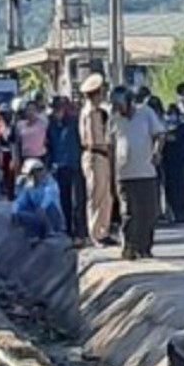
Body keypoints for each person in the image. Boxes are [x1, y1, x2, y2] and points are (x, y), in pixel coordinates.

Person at [108, 85, 165, 260]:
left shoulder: (146, 113)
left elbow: (160, 135)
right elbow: (110, 147)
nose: (117, 108)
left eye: (120, 104)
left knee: (148, 212)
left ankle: (144, 247)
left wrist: (157, 152)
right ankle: (129, 246)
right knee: (128, 213)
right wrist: (111, 174)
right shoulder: (114, 119)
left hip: (146, 171)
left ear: (129, 101)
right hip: (124, 173)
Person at [79, 73, 116, 247]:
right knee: (96, 195)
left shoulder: (99, 112)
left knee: (106, 196)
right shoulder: (89, 112)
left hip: (102, 155)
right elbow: (91, 140)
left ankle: (103, 230)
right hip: (94, 155)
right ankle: (95, 234)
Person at [47, 96, 86, 246]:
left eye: (59, 108)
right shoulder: (51, 124)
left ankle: (79, 232)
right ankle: (68, 230)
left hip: (75, 165)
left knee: (77, 201)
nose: (57, 112)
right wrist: (50, 164)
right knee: (64, 201)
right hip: (59, 167)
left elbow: (81, 142)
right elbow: (49, 145)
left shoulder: (74, 122)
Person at [12, 158, 64, 243]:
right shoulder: (28, 185)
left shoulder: (49, 181)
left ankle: (51, 231)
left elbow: (49, 195)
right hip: (37, 215)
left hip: (52, 216)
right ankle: (34, 236)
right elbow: (20, 200)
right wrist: (15, 212)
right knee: (23, 213)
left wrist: (42, 207)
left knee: (48, 207)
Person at [162, 103, 184, 222]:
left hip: (182, 164)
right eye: (169, 114)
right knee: (171, 190)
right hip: (169, 165)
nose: (171, 117)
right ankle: (174, 213)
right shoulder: (162, 129)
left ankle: (183, 212)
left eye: (173, 114)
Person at [0, 103, 17, 199]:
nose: (5, 116)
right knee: (5, 171)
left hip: (14, 151)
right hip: (3, 152)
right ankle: (6, 189)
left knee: (13, 171)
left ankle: (12, 190)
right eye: (2, 114)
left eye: (7, 113)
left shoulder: (14, 124)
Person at [15, 99, 48, 164]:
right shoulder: (20, 125)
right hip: (25, 157)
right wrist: (16, 159)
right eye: (29, 109)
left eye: (33, 109)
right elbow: (17, 143)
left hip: (40, 157)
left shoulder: (43, 123)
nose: (31, 112)